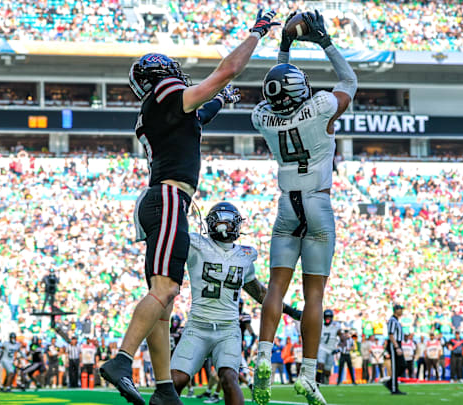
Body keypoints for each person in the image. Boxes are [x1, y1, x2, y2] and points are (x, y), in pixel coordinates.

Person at [100, 10, 280, 405]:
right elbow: (228, 69)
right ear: (159, 74)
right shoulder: (164, 93)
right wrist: (257, 34)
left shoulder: (161, 109)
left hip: (164, 201)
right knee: (164, 291)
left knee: (162, 305)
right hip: (167, 199)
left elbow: (196, 117)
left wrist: (218, 101)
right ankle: (121, 360)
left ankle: (165, 388)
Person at [252, 9, 356, 405]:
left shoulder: (262, 117)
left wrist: (284, 47)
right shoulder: (321, 108)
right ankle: (308, 376)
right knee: (314, 295)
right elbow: (350, 81)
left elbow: (276, 90)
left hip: (286, 206)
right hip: (317, 204)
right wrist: (325, 42)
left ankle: (263, 357)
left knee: (276, 286)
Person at [170, 202, 301, 405]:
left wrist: (291, 311)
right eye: (221, 222)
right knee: (176, 380)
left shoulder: (244, 256)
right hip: (197, 326)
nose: (225, 226)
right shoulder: (196, 244)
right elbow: (174, 233)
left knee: (230, 379)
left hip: (227, 330)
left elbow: (259, 292)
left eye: (229, 222)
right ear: (211, 224)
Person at [316, 310, 343, 385]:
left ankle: (326, 378)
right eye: (326, 317)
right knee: (320, 364)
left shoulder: (336, 326)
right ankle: (317, 381)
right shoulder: (320, 325)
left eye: (329, 317)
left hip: (331, 350)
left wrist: (340, 348)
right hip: (322, 347)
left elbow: (342, 338)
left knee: (327, 369)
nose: (328, 319)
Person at [383, 304, 406, 395]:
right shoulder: (392, 320)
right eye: (400, 309)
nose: (401, 311)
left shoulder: (397, 321)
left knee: (402, 365)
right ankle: (393, 388)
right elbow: (391, 334)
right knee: (395, 366)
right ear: (396, 310)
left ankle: (390, 383)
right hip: (394, 344)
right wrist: (396, 346)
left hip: (398, 344)